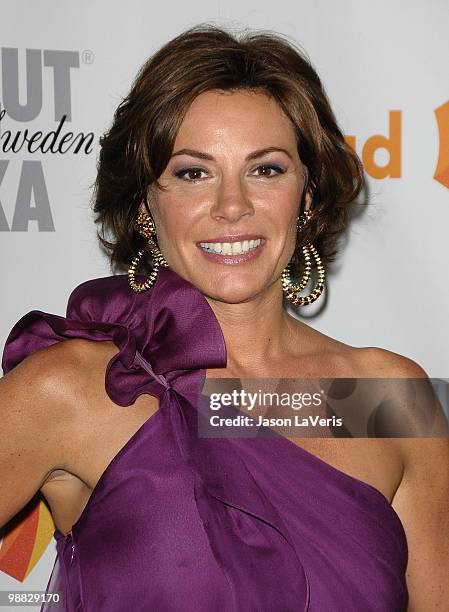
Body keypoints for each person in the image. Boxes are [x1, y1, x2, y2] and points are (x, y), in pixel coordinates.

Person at [1, 23, 448, 612]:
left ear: (308, 195)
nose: (232, 206)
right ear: (144, 203)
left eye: (266, 169)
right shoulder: (73, 389)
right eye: (193, 173)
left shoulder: (387, 398)